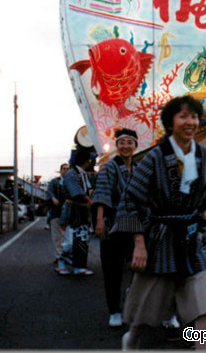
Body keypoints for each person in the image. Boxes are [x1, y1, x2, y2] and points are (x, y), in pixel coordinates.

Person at [112, 95, 206, 350]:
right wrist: (139, 243)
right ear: (170, 122)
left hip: (194, 239)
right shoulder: (154, 157)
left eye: (193, 116)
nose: (190, 121)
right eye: (182, 116)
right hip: (160, 238)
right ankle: (132, 339)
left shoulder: (205, 156)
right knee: (145, 310)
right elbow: (131, 199)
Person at [92, 128, 138, 327]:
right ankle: (114, 311)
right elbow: (102, 192)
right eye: (122, 142)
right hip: (112, 224)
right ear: (117, 146)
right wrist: (100, 220)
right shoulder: (109, 167)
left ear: (136, 146)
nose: (126, 146)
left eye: (130, 142)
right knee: (112, 270)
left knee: (139, 267)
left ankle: (133, 300)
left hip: (135, 225)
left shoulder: (139, 168)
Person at [57, 146, 94, 276]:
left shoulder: (84, 174)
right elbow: (76, 193)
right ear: (86, 161)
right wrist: (90, 201)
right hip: (72, 210)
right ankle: (61, 262)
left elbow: (89, 190)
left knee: (82, 239)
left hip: (82, 211)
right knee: (69, 241)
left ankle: (80, 266)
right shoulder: (71, 174)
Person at [46, 163, 69, 262]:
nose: (66, 170)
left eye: (68, 169)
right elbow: (49, 191)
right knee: (57, 236)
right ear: (60, 170)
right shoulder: (54, 181)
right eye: (64, 169)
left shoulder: (72, 182)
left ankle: (67, 255)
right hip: (56, 211)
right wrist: (53, 198)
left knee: (68, 236)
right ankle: (59, 256)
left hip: (68, 212)